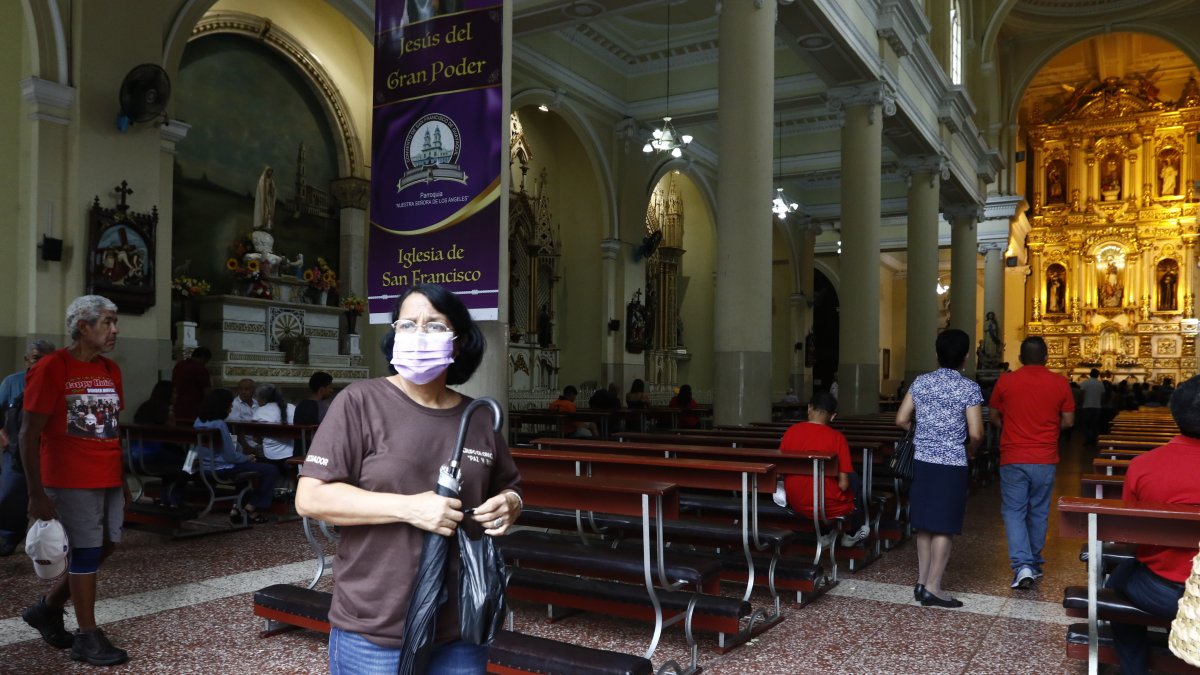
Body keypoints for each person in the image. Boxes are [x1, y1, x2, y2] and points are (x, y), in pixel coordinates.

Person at [295, 283, 522, 673]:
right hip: (376, 627)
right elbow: (311, 497)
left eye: (433, 326)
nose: (418, 335)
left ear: (459, 341)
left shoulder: (479, 416)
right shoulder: (360, 402)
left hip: (460, 627)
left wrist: (511, 504)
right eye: (406, 325)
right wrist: (409, 508)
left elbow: (508, 486)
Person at [20, 295, 128, 665]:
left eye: (115, 323)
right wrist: (35, 492)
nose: (114, 330)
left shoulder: (110, 370)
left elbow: (113, 428)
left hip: (108, 475)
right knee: (83, 553)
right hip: (69, 478)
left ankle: (47, 608)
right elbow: (27, 433)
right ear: (83, 326)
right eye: (107, 322)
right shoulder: (52, 367)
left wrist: (123, 478)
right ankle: (87, 637)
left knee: (106, 547)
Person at [1104, 374, 1200, 675]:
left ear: (1174, 413)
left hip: (1162, 590)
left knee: (1115, 583)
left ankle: (1134, 668)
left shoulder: (1144, 466)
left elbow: (1128, 532)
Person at [894, 328, 984, 609]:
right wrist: (969, 449)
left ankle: (921, 583)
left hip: (923, 459)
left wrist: (922, 436)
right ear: (965, 356)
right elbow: (977, 432)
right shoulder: (968, 388)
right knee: (944, 526)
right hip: (952, 463)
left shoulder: (921, 382)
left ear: (938, 353)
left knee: (924, 524)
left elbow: (900, 419)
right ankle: (934, 587)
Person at [988, 337, 1075, 589]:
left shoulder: (1006, 381)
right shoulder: (1060, 383)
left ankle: (1022, 565)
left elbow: (993, 415)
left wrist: (1011, 429)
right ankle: (1033, 562)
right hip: (1045, 456)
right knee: (1038, 509)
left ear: (1020, 358)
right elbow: (1068, 421)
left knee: (1014, 511)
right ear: (1047, 357)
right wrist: (1048, 431)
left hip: (1013, 456)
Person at [779, 392, 869, 547]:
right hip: (827, 507)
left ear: (809, 408)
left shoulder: (790, 432)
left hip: (795, 502)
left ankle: (826, 533)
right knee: (853, 478)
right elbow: (843, 485)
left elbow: (781, 472)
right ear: (833, 416)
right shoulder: (837, 438)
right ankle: (851, 533)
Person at [0, 339, 55, 556]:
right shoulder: (12, 383)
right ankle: (7, 538)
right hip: (16, 453)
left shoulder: (60, 383)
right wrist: (5, 440)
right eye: (36, 359)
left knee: (55, 500)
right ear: (26, 360)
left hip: (50, 452)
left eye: (48, 360)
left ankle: (53, 545)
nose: (42, 364)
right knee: (11, 496)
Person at [193, 388, 279, 524]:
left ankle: (237, 508)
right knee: (271, 470)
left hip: (204, 467)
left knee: (247, 469)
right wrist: (247, 457)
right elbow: (230, 457)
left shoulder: (198, 421)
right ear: (221, 405)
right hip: (221, 468)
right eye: (229, 403)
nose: (232, 406)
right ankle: (251, 506)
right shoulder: (219, 424)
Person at [130, 380, 189, 507]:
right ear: (166, 394)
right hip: (154, 454)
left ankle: (166, 498)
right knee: (187, 464)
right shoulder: (167, 413)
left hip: (133, 454)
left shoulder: (144, 408)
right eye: (173, 392)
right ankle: (175, 500)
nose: (176, 395)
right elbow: (175, 438)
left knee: (172, 463)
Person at [250, 383, 297, 473]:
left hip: (270, 455)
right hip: (293, 453)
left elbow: (256, 439)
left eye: (257, 398)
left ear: (263, 399)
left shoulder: (259, 412)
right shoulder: (292, 407)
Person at [171, 346, 211, 426]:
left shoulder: (179, 365)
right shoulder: (200, 369)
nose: (205, 364)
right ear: (203, 358)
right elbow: (207, 392)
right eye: (206, 361)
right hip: (193, 409)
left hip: (177, 407)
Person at [1078, 368, 1105, 447]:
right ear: (1097, 375)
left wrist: (1081, 403)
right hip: (1097, 406)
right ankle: (1093, 440)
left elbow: (1082, 394)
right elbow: (1103, 395)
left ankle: (1087, 440)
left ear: (1090, 374)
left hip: (1086, 406)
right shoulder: (1100, 383)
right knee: (1095, 424)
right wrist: (1101, 403)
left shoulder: (1086, 382)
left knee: (1086, 424)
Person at [253, 166, 276, 230]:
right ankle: (260, 224)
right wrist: (265, 192)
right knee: (263, 211)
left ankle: (266, 225)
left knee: (268, 212)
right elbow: (261, 189)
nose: (270, 173)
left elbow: (274, 190)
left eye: (271, 172)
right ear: (266, 171)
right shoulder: (262, 180)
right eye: (269, 171)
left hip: (268, 198)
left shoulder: (271, 181)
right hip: (263, 199)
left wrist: (271, 189)